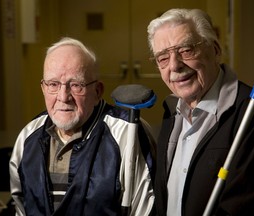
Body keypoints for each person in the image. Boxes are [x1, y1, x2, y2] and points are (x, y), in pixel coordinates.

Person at [147, 8, 254, 216]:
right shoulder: (172, 112)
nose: (175, 66)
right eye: (163, 58)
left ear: (215, 50)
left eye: (186, 50)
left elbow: (249, 206)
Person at [9, 37, 156, 216]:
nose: (63, 97)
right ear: (43, 88)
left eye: (76, 85)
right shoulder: (28, 136)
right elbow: (20, 208)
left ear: (97, 91)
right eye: (54, 84)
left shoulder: (127, 134)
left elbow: (146, 210)